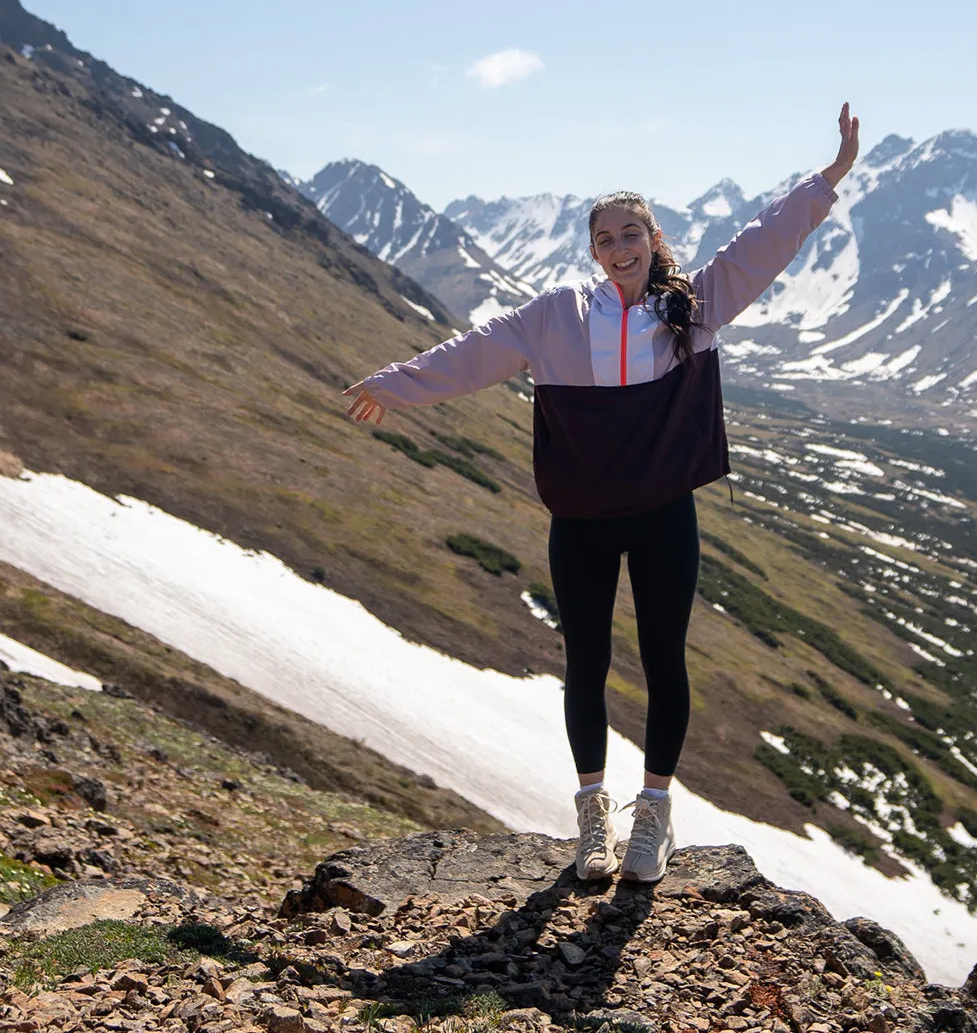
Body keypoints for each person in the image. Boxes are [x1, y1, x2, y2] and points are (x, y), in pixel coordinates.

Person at [344, 103, 861, 883]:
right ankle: (593, 820)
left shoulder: (697, 305)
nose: (619, 248)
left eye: (632, 233)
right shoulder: (556, 316)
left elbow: (763, 245)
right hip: (580, 523)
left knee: (664, 663)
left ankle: (651, 815)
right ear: (593, 251)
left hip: (664, 518)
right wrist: (394, 384)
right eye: (605, 238)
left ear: (654, 242)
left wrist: (826, 181)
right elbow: (475, 353)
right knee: (583, 663)